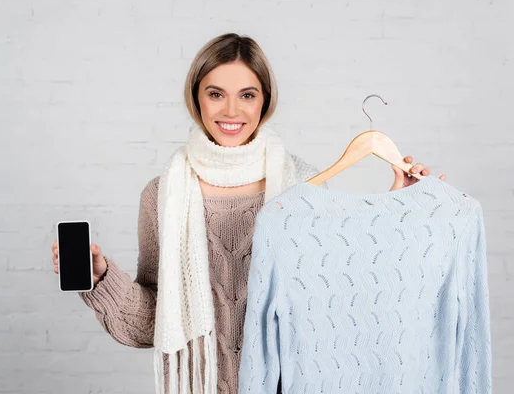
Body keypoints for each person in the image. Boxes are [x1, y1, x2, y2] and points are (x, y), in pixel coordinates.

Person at [51, 33, 446, 394]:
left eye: (248, 95)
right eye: (216, 93)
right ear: (197, 98)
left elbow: (342, 305)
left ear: (265, 101)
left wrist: (399, 209)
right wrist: (101, 278)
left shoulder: (303, 186)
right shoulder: (163, 194)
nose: (232, 110)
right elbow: (155, 322)